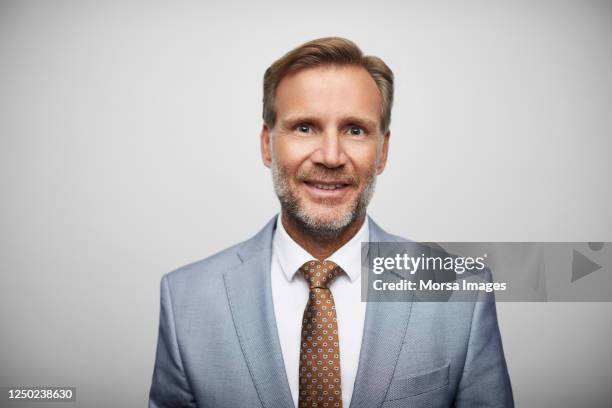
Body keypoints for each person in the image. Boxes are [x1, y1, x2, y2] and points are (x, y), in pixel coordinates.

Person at [149, 37, 513, 408]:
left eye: (354, 130)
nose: (331, 156)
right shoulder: (186, 300)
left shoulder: (461, 292)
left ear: (382, 151)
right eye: (305, 127)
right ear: (266, 145)